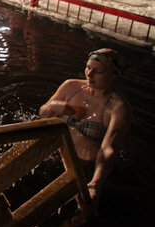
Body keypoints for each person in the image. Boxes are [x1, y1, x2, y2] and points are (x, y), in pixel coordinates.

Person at [39, 48, 131, 209]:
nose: (89, 74)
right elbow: (43, 113)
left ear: (113, 74)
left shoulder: (118, 108)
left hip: (83, 167)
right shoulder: (70, 86)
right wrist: (57, 107)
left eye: (98, 71)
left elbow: (109, 148)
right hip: (54, 157)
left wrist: (95, 183)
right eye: (88, 68)